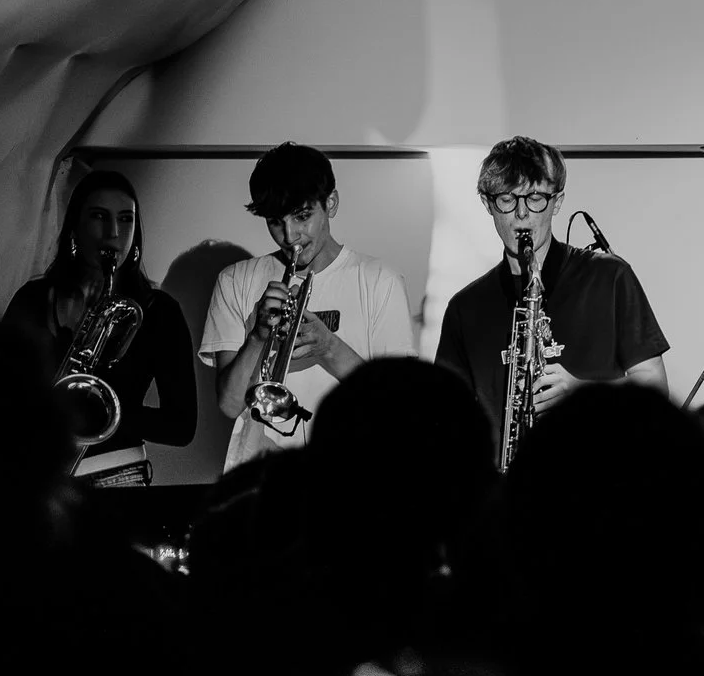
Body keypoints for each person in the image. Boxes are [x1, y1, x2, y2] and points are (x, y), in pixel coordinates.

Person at [434, 137, 668, 458]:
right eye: (507, 199)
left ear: (557, 202)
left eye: (535, 198)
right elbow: (446, 419)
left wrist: (581, 391)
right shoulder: (465, 307)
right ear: (488, 204)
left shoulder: (609, 276)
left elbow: (654, 388)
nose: (521, 214)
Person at [198, 142, 416, 472]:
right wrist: (257, 336)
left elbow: (396, 404)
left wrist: (328, 345)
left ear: (331, 203)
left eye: (302, 216)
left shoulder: (379, 280)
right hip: (264, 478)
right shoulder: (235, 280)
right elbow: (230, 405)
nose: (289, 236)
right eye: (275, 221)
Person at [2, 169, 196, 487]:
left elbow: (181, 427)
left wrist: (102, 412)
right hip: (39, 478)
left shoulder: (159, 311)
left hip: (118, 477)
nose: (113, 233)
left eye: (125, 219)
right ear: (75, 228)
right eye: (99, 216)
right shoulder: (33, 299)